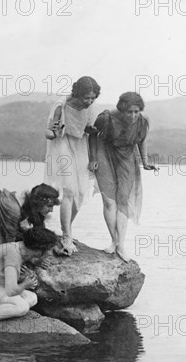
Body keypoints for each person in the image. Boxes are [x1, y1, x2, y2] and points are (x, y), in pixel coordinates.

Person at [89, 92, 158, 262]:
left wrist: (145, 162)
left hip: (127, 156)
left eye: (136, 111)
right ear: (121, 109)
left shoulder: (142, 121)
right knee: (109, 201)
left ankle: (120, 244)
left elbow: (141, 141)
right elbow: (91, 136)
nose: (133, 115)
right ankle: (116, 242)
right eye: (129, 112)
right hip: (104, 153)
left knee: (123, 200)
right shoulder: (106, 118)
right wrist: (93, 159)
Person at [44, 76, 101, 256]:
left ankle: (65, 231)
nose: (89, 101)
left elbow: (92, 134)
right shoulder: (61, 105)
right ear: (77, 93)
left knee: (82, 192)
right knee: (69, 190)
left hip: (81, 147)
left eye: (93, 98)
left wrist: (92, 159)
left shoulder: (91, 108)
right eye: (86, 98)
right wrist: (54, 131)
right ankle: (67, 236)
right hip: (62, 145)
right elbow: (49, 132)